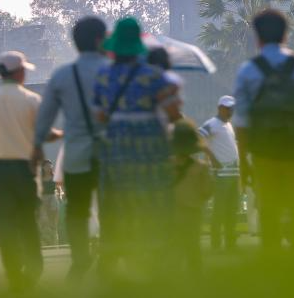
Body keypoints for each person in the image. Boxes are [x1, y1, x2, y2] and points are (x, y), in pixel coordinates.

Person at [232, 9, 294, 251]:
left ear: (257, 37)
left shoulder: (248, 70)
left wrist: (244, 160)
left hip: (263, 152)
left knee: (269, 210)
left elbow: (242, 122)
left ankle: (272, 260)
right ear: (286, 34)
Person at [93, 17, 181, 270]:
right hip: (150, 147)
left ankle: (121, 253)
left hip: (116, 148)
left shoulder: (103, 76)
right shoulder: (153, 76)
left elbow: (100, 116)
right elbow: (173, 113)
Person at [32, 16, 107, 281]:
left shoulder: (63, 75)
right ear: (100, 39)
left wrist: (36, 149)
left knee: (76, 211)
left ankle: (80, 258)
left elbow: (42, 123)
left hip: (77, 156)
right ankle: (110, 257)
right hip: (112, 155)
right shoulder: (116, 72)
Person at [0, 51, 51, 292]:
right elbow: (42, 135)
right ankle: (34, 269)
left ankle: (13, 273)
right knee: (28, 221)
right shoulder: (32, 100)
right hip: (24, 168)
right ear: (19, 73)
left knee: (6, 224)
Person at [198, 95, 241, 251]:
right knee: (220, 210)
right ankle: (216, 244)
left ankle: (230, 243)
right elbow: (198, 139)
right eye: (227, 108)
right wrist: (212, 157)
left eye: (231, 108)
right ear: (220, 108)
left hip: (233, 173)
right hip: (221, 174)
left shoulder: (228, 125)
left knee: (231, 210)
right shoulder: (212, 124)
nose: (230, 111)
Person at [171, 119, 213, 275]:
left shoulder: (166, 166)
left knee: (174, 248)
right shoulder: (201, 167)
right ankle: (195, 278)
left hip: (172, 212)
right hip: (193, 212)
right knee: (193, 247)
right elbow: (208, 190)